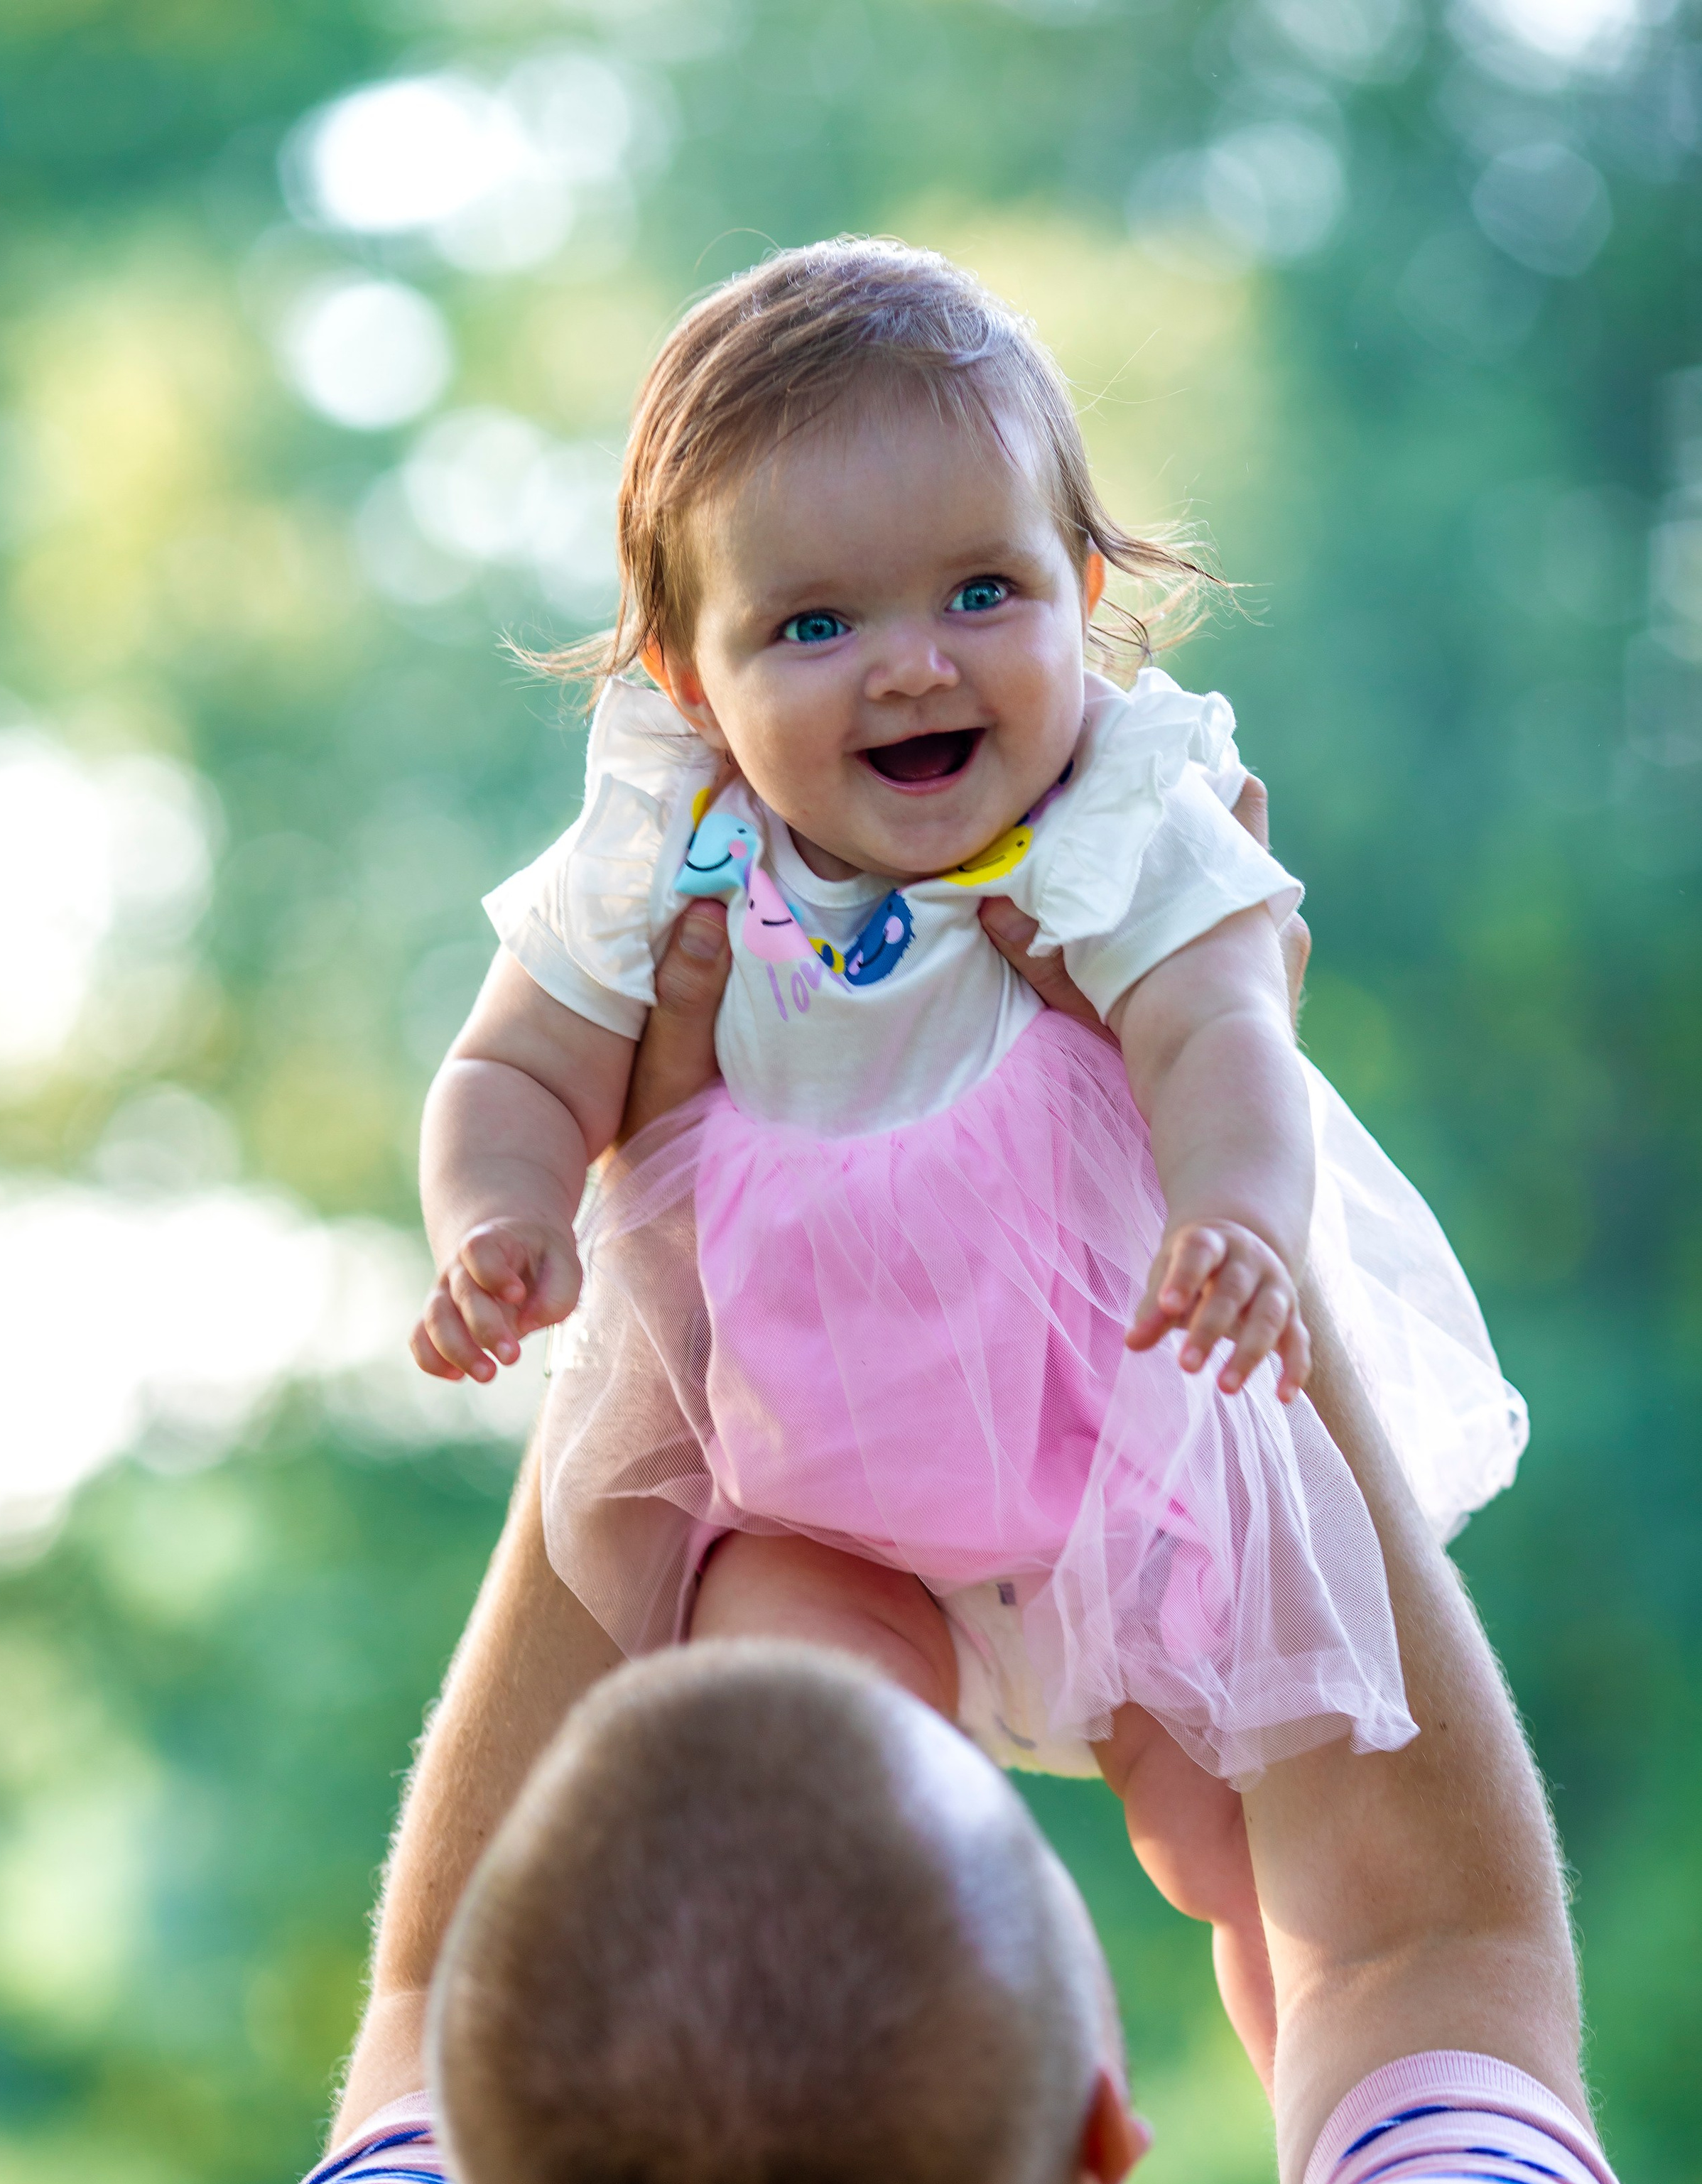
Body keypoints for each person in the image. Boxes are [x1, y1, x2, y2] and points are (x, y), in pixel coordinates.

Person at [79, 913, 1702, 2184]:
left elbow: (423, 1999)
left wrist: (662, 1246)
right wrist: (1201, 1177)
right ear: (1105, 2126)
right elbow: (1422, 1954)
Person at [408, 239, 1526, 2080]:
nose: (911, 664)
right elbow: (510, 1065)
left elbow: (1225, 1029)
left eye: (983, 590)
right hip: (810, 1486)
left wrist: (1237, 1216)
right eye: (814, 625)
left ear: (1084, 593)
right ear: (693, 677)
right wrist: (501, 1217)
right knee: (821, 1790)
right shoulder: (670, 842)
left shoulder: (1120, 811)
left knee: (1242, 1847)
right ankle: (944, 2143)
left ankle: (1339, 2144)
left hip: (1120, 1431)